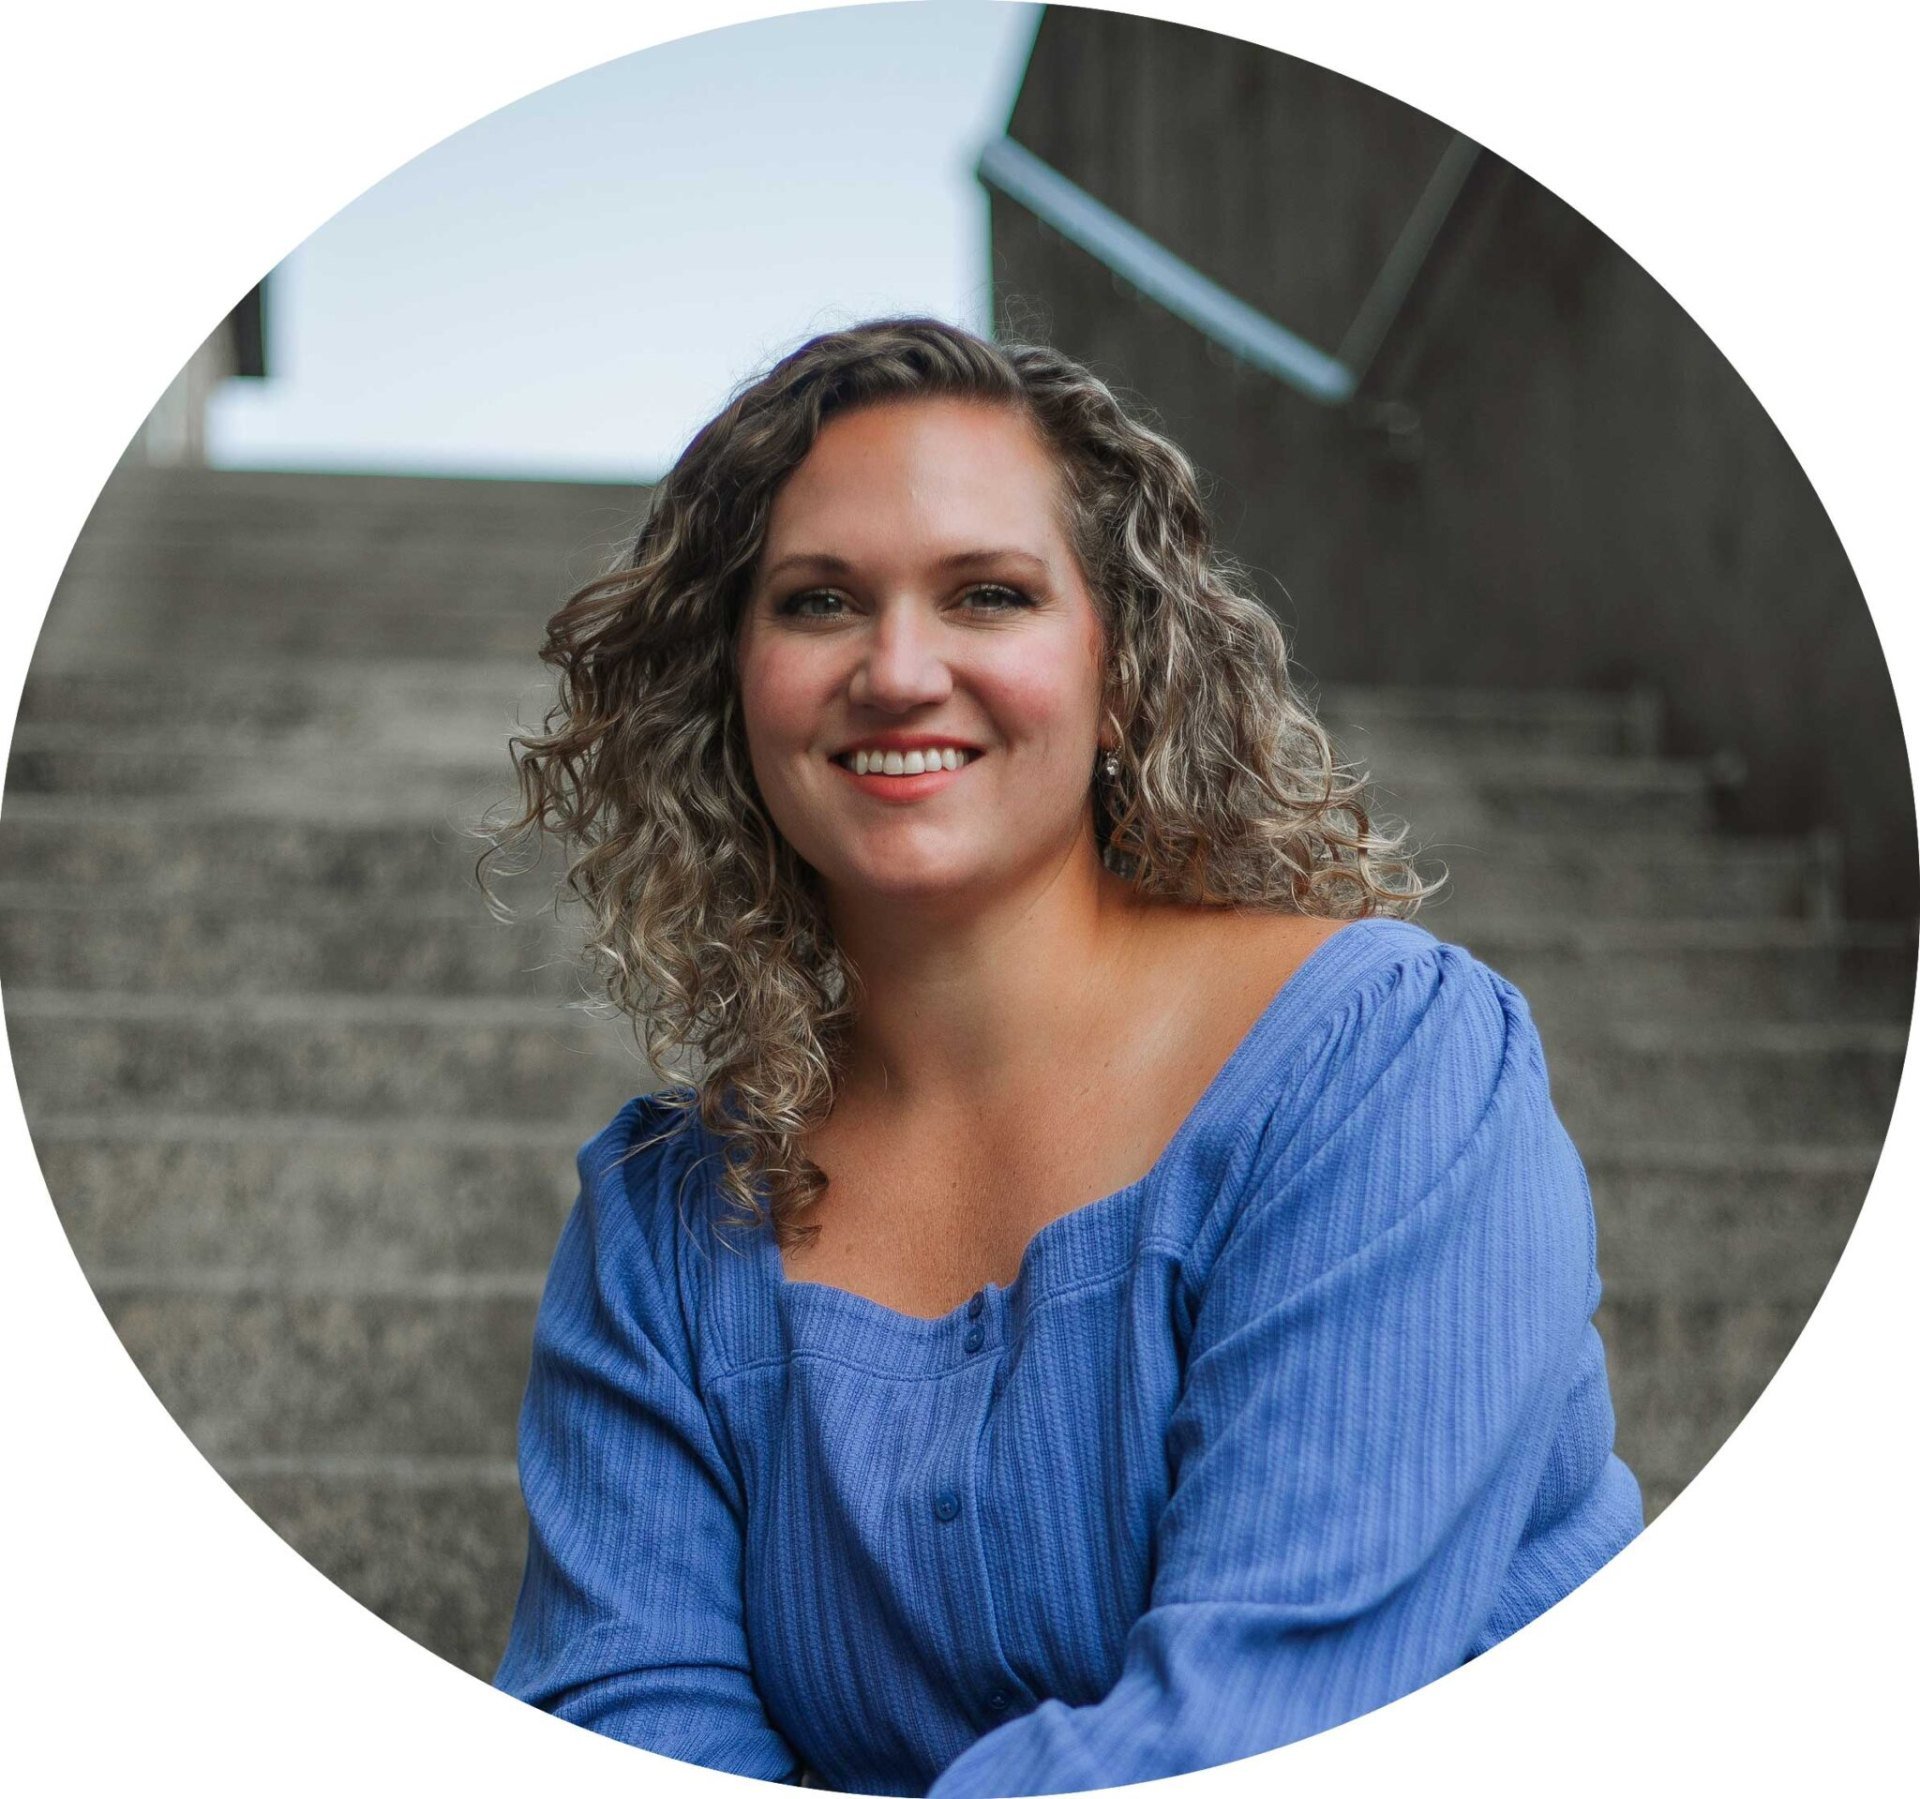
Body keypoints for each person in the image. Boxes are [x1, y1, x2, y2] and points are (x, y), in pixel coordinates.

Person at [482, 317, 1643, 1795]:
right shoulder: (664, 1227)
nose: (899, 671)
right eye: (820, 601)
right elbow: (623, 1722)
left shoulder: (1381, 1069)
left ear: (1121, 664)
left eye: (988, 594)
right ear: (730, 687)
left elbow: (1267, 1714)